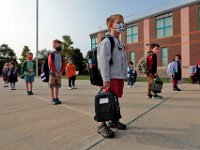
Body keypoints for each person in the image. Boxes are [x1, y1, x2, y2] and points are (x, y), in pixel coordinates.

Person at [97, 14, 127, 138]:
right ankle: (101, 125)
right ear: (110, 25)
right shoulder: (107, 41)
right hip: (110, 77)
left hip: (118, 76)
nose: (122, 24)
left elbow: (122, 60)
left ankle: (112, 120)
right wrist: (105, 78)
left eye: (123, 22)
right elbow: (103, 60)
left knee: (114, 100)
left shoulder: (119, 42)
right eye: (119, 22)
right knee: (105, 101)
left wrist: (124, 74)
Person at [48, 39, 65, 105]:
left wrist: (61, 72)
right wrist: (55, 72)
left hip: (59, 73)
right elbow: (50, 63)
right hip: (53, 73)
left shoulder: (61, 55)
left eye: (61, 46)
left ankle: (56, 97)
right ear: (54, 45)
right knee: (52, 86)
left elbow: (63, 64)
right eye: (58, 45)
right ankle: (53, 99)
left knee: (57, 86)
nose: (60, 47)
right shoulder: (52, 54)